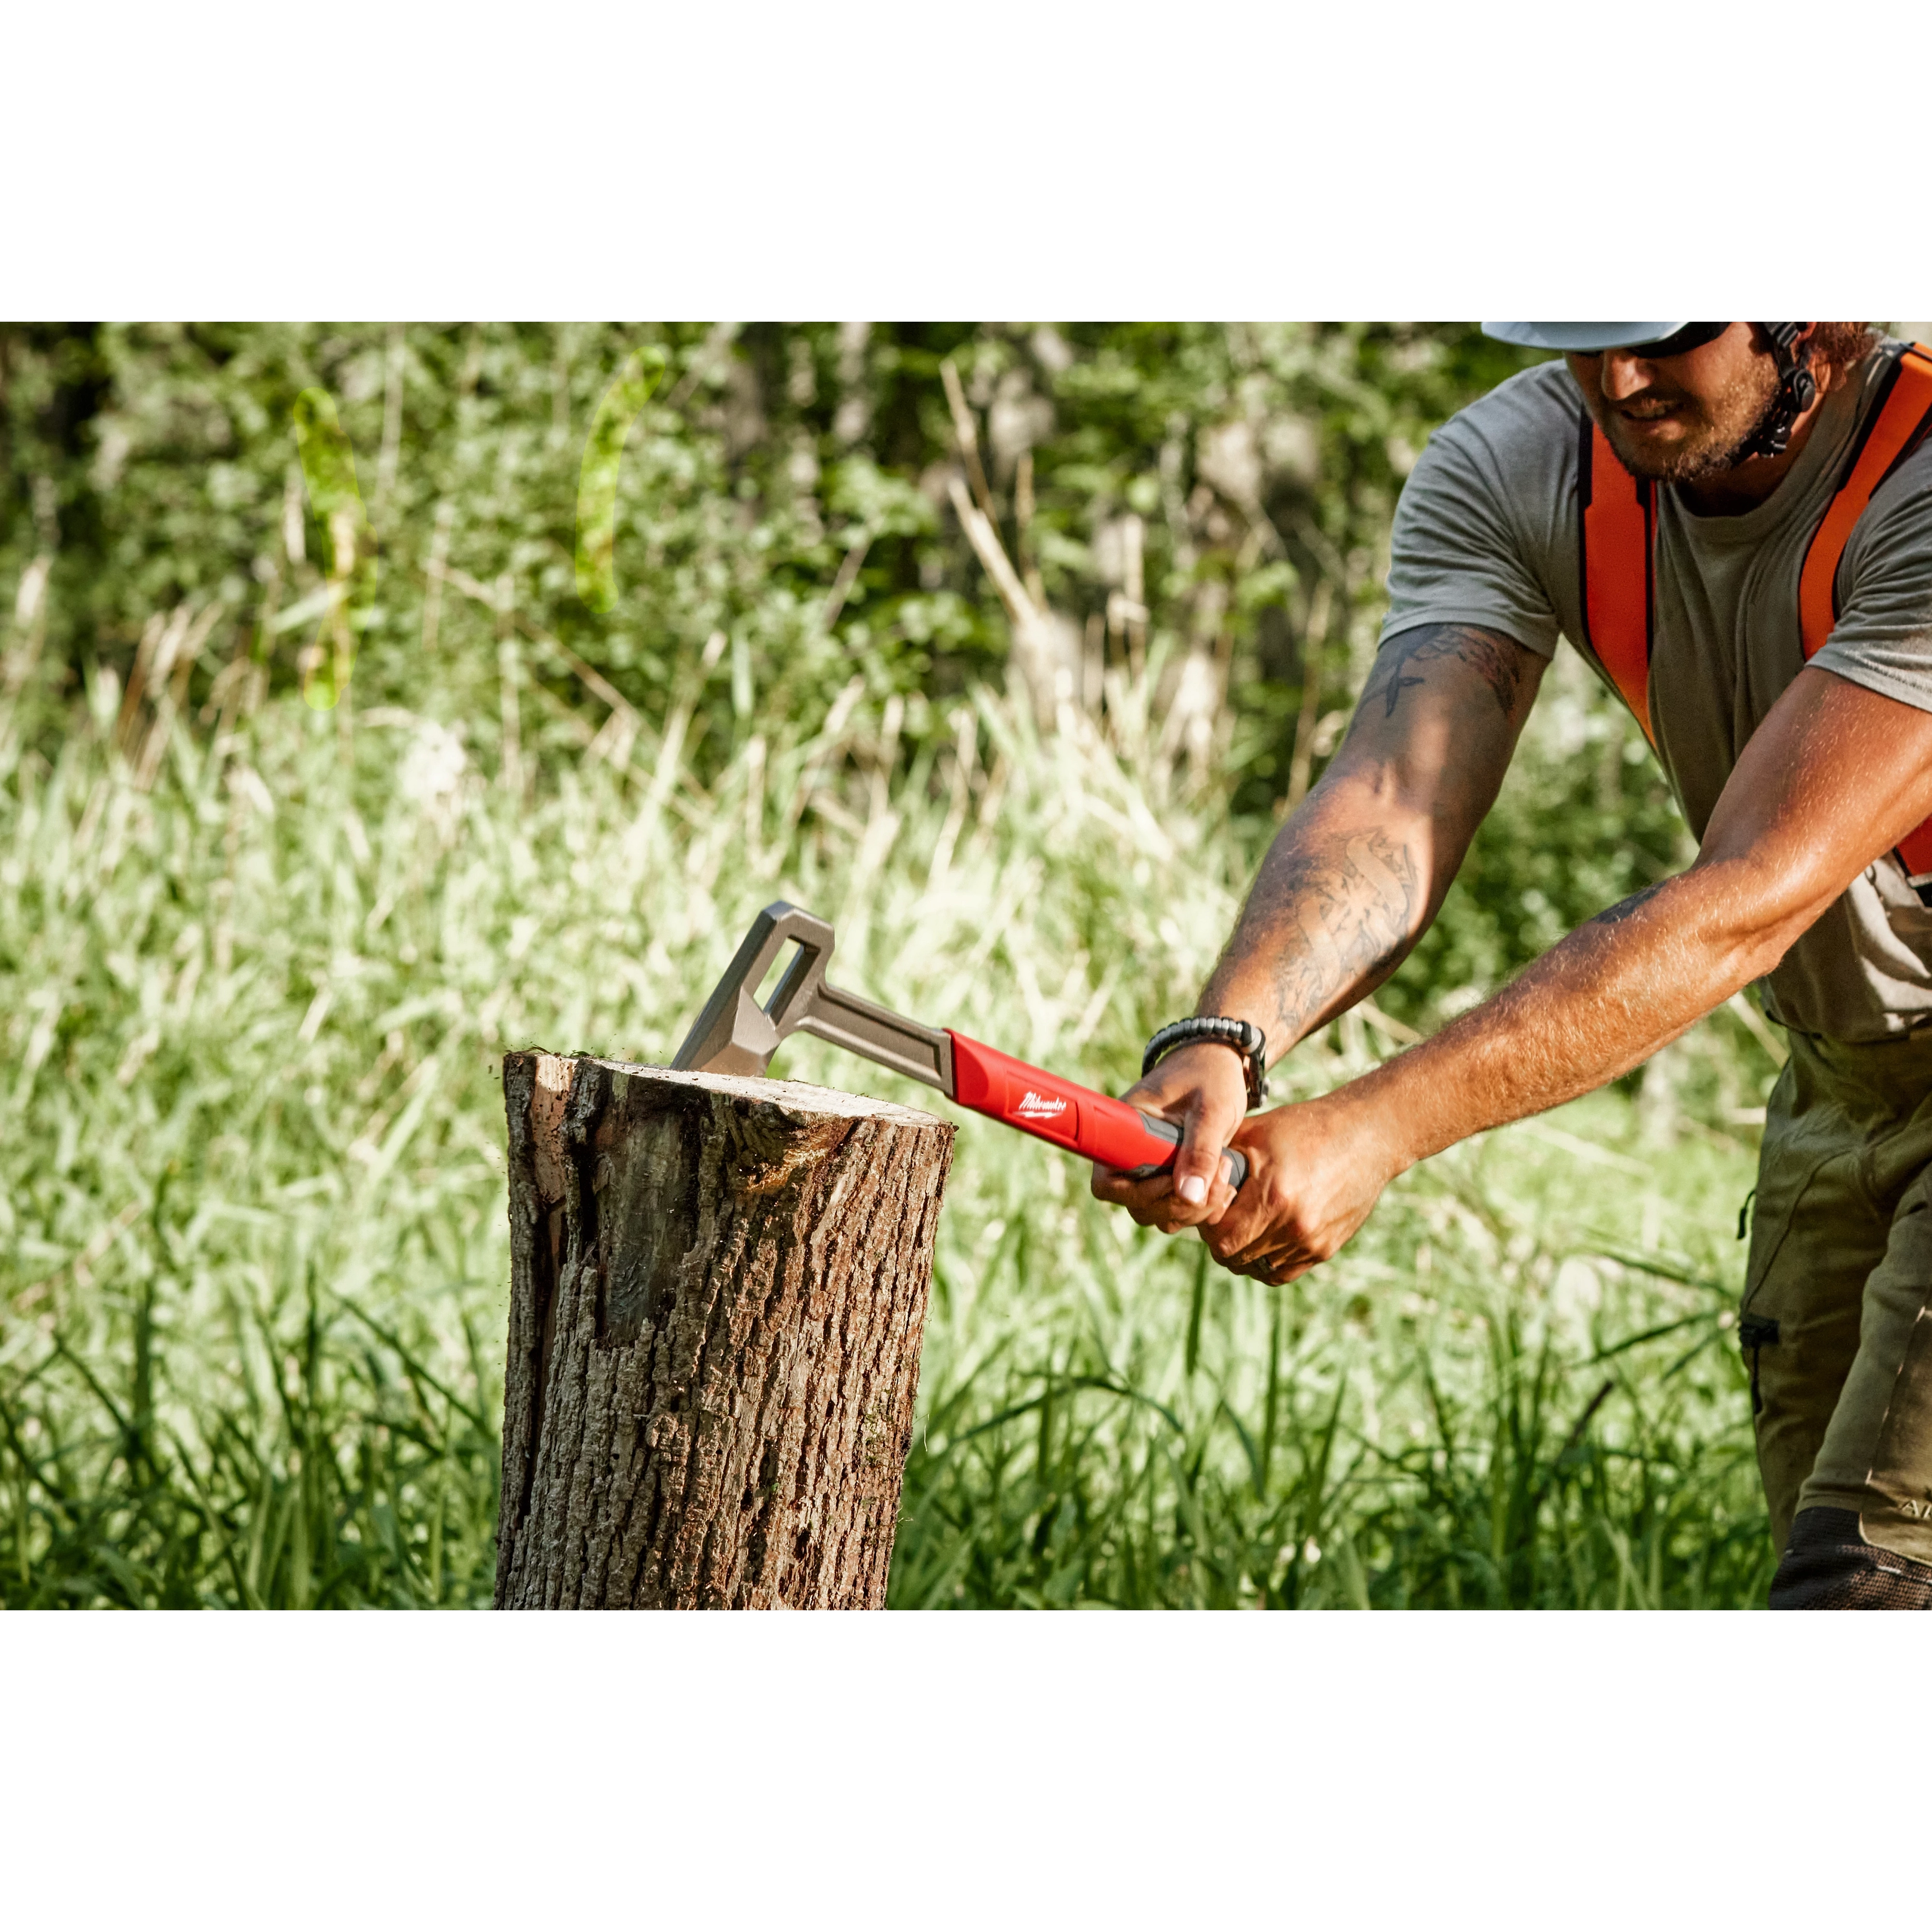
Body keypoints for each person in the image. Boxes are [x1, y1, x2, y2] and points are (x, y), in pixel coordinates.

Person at [1094, 322, 1932, 1610]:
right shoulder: (1522, 461)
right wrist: (1229, 1035)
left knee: (1863, 1586)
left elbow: (1749, 895)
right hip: (1842, 1083)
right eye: (1580, 340)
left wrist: (1376, 1128)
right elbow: (1396, 792)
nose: (1618, 380)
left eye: (1661, 336)